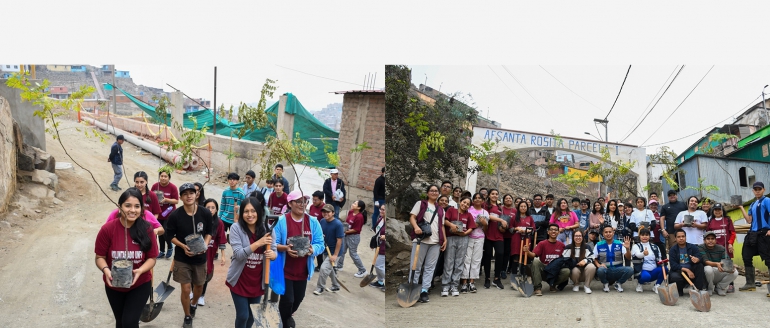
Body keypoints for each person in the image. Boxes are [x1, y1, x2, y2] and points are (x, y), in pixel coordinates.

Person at [95, 188, 158, 328]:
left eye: (137, 206)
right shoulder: (107, 229)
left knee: (130, 322)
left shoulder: (147, 229)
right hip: (114, 284)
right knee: (120, 322)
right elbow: (99, 257)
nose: (132, 210)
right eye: (128, 205)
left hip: (140, 284)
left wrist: (140, 270)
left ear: (141, 209)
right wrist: (106, 270)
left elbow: (152, 258)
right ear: (119, 207)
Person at [270, 190, 324, 328]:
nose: (302, 204)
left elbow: (320, 243)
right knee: (288, 299)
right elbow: (272, 244)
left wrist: (313, 250)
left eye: (304, 201)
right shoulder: (282, 221)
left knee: (298, 299)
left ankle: (285, 317)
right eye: (298, 201)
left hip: (302, 271)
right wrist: (286, 248)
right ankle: (284, 322)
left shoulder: (312, 222)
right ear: (290, 203)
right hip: (285, 269)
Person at [166, 183, 213, 328]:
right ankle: (187, 316)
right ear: (180, 197)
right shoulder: (175, 215)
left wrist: (205, 244)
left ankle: (193, 304)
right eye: (185, 194)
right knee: (186, 288)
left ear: (196, 195)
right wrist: (182, 245)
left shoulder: (205, 213)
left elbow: (210, 232)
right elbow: (169, 236)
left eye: (191, 193)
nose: (189, 196)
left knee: (198, 287)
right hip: (182, 258)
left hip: (200, 258)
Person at [226, 197, 276, 328]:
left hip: (258, 281)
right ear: (241, 213)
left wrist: (273, 254)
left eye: (253, 211)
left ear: (259, 212)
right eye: (246, 211)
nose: (250, 215)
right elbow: (239, 254)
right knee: (243, 315)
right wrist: (259, 243)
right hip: (239, 279)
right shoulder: (236, 229)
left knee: (252, 316)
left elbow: (274, 250)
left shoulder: (268, 229)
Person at [408, 185, 446, 303]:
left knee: (430, 267)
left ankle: (424, 290)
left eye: (436, 191)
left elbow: (442, 225)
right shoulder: (421, 204)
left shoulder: (441, 209)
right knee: (415, 266)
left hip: (435, 242)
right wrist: (416, 227)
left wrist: (444, 239)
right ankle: (412, 289)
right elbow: (412, 217)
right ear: (428, 192)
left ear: (439, 193)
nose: (434, 192)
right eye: (432, 190)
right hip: (421, 240)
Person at [738, 181, 770, 293]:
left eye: (759, 189)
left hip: (764, 234)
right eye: (755, 189)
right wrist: (741, 207)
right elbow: (749, 220)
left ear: (763, 190)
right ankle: (750, 283)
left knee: (768, 259)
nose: (757, 191)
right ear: (753, 191)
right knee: (746, 256)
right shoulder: (752, 204)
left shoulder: (767, 201)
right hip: (752, 234)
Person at [441, 197, 476, 297]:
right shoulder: (451, 210)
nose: (465, 205)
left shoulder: (468, 215)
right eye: (464, 202)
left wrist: (465, 234)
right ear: (460, 202)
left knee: (459, 262)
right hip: (451, 237)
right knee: (449, 261)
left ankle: (454, 285)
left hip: (463, 239)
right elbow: (445, 221)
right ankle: (445, 286)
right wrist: (452, 225)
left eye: (468, 204)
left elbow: (471, 228)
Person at [194, 199, 226, 306]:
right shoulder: (199, 220)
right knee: (194, 270)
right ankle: (193, 291)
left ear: (217, 210)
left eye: (213, 208)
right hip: (197, 251)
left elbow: (221, 239)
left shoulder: (219, 223)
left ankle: (202, 295)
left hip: (210, 252)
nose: (211, 210)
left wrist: (223, 255)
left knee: (207, 272)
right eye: (208, 207)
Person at [526, 223, 569, 296]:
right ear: (548, 232)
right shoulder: (542, 243)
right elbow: (533, 256)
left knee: (567, 271)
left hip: (555, 271)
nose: (553, 231)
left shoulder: (561, 245)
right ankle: (537, 288)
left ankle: (553, 284)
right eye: (551, 230)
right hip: (544, 269)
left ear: (558, 232)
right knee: (535, 261)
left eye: (555, 230)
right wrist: (527, 252)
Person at [706, 203, 736, 292]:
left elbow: (733, 233)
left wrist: (730, 243)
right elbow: (708, 235)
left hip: (726, 247)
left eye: (719, 210)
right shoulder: (710, 222)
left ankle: (731, 285)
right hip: (714, 248)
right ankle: (715, 284)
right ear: (713, 211)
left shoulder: (727, 220)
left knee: (728, 267)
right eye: (716, 210)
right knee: (715, 266)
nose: (718, 211)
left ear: (722, 211)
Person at [315, 204, 344, 295]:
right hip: (326, 249)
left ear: (333, 213)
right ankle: (336, 285)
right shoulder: (322, 221)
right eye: (324, 212)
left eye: (328, 212)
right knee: (329, 269)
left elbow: (339, 240)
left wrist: (335, 255)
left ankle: (320, 287)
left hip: (335, 251)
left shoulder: (338, 224)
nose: (325, 213)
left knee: (323, 269)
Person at [593, 226, 633, 293]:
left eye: (610, 232)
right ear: (603, 234)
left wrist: (628, 249)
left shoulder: (620, 243)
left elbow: (628, 257)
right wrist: (598, 265)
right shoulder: (598, 245)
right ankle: (605, 283)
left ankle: (618, 283)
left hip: (618, 270)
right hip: (606, 270)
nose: (608, 234)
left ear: (613, 233)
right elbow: (594, 258)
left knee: (630, 270)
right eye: (606, 232)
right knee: (600, 270)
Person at [461, 193, 487, 294]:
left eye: (479, 198)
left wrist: (484, 224)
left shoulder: (485, 212)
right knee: (466, 259)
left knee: (476, 260)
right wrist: (474, 224)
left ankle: (472, 282)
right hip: (467, 236)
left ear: (483, 200)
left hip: (480, 237)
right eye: (475, 198)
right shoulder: (468, 209)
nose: (477, 200)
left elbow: (485, 229)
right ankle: (464, 282)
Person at [481, 189, 507, 290]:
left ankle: (497, 278)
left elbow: (505, 220)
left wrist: (504, 225)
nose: (494, 195)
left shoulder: (501, 207)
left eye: (496, 194)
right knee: (487, 256)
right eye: (493, 194)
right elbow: (487, 216)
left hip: (499, 235)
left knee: (500, 254)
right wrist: (501, 220)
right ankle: (487, 278)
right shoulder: (484, 205)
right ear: (489, 195)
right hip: (487, 233)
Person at [668, 229, 706, 296]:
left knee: (699, 266)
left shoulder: (693, 247)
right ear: (675, 238)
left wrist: (697, 259)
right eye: (679, 237)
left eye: (683, 236)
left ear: (686, 237)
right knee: (674, 277)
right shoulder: (673, 250)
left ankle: (698, 289)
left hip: (692, 270)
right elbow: (673, 265)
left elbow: (700, 257)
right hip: (680, 271)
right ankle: (679, 290)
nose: (681, 238)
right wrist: (686, 270)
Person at [699, 231, 738, 296]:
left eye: (712, 239)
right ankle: (710, 288)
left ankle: (719, 287)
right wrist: (717, 264)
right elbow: (705, 261)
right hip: (707, 273)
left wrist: (730, 268)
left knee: (735, 272)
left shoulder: (721, 248)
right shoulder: (701, 247)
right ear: (704, 241)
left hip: (719, 270)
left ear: (716, 240)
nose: (710, 241)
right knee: (708, 269)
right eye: (708, 239)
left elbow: (727, 261)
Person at [152, 170, 178, 259]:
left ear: (169, 178)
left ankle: (170, 246)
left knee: (166, 232)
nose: (163, 178)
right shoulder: (155, 186)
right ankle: (162, 251)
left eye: (165, 176)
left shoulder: (172, 187)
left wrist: (166, 200)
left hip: (169, 214)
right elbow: (150, 196)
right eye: (162, 176)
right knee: (160, 232)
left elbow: (176, 200)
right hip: (158, 213)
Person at [338, 200, 368, 278]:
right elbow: (347, 223)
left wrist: (346, 231)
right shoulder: (350, 212)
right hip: (346, 234)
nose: (352, 204)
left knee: (353, 253)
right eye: (353, 202)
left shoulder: (359, 217)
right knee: (342, 250)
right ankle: (339, 265)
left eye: (355, 204)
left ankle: (362, 270)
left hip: (353, 237)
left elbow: (356, 229)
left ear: (359, 207)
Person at [631, 228, 665, 293]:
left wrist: (663, 262)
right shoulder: (636, 246)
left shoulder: (655, 247)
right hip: (642, 271)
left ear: (649, 236)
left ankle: (657, 286)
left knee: (664, 269)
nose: (644, 237)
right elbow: (638, 255)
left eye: (646, 235)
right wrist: (643, 253)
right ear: (639, 236)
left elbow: (659, 258)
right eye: (642, 235)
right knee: (646, 276)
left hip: (653, 270)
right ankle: (640, 283)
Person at [563, 229, 595, 293]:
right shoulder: (568, 247)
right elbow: (565, 260)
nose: (578, 238)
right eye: (576, 236)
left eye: (580, 236)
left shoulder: (587, 247)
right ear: (573, 237)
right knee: (574, 269)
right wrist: (576, 263)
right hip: (575, 273)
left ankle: (587, 286)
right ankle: (576, 284)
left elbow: (592, 257)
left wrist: (585, 261)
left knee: (592, 267)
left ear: (582, 237)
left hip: (585, 273)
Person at [509, 200, 535, 279]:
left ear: (527, 208)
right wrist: (516, 228)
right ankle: (514, 277)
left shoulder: (530, 218)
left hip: (526, 239)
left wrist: (529, 230)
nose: (523, 208)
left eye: (525, 206)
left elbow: (533, 229)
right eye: (521, 206)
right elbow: (510, 228)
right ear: (518, 207)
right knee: (516, 257)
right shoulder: (514, 217)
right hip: (516, 239)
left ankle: (523, 276)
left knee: (525, 257)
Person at [308, 191, 326, 271]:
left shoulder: (325, 209)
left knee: (318, 249)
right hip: (311, 231)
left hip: (320, 232)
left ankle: (320, 265)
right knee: (310, 248)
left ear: (322, 200)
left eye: (316, 200)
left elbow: (326, 221)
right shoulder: (312, 206)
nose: (314, 201)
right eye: (313, 199)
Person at [371, 204, 386, 292]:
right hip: (378, 244)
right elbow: (376, 231)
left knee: (379, 266)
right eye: (381, 209)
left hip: (384, 247)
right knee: (377, 265)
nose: (381, 211)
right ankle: (380, 282)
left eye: (383, 210)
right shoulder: (380, 219)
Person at [501, 194, 517, 276]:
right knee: (500, 253)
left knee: (507, 253)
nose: (508, 199)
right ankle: (499, 268)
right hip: (500, 234)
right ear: (503, 200)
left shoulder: (515, 211)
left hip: (510, 235)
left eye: (510, 198)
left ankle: (503, 270)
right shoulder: (500, 208)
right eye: (506, 198)